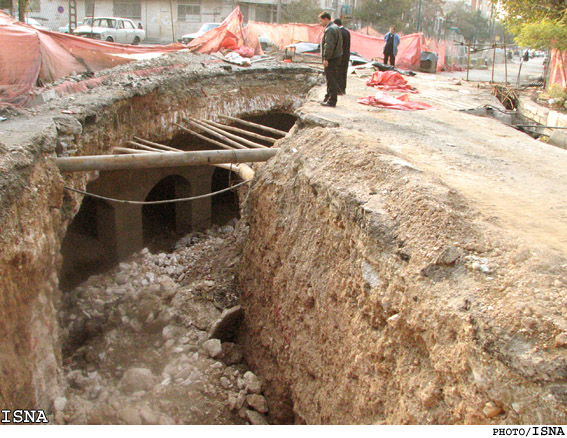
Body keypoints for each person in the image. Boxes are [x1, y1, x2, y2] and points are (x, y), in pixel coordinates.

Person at [318, 11, 343, 107]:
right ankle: (328, 97)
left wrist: (326, 58)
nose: (320, 23)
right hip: (336, 57)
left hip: (332, 59)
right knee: (332, 78)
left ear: (325, 19)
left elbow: (328, 45)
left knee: (331, 79)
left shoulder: (330, 30)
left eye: (321, 21)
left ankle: (332, 101)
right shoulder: (336, 27)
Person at [334, 18, 351, 95]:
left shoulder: (339, 32)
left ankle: (339, 89)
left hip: (340, 55)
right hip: (346, 55)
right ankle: (343, 89)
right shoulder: (347, 32)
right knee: (344, 72)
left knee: (339, 73)